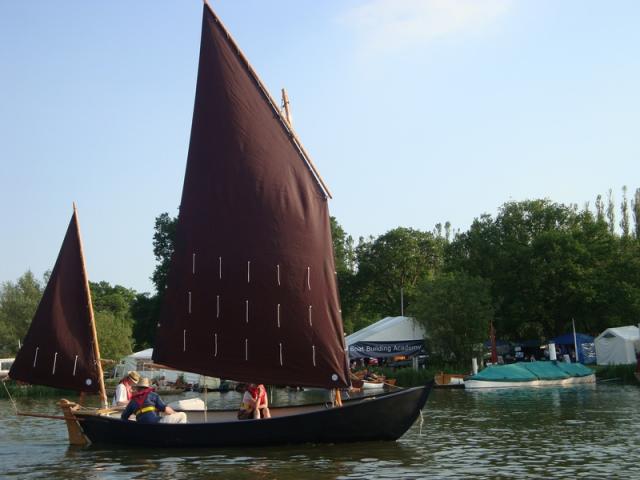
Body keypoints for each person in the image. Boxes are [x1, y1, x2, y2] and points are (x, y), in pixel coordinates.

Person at [121, 377, 187, 424]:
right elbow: (166, 409)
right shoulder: (153, 395)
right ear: (148, 387)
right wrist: (175, 413)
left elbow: (123, 417)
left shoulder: (133, 400)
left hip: (141, 426)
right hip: (156, 423)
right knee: (183, 415)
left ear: (138, 388)